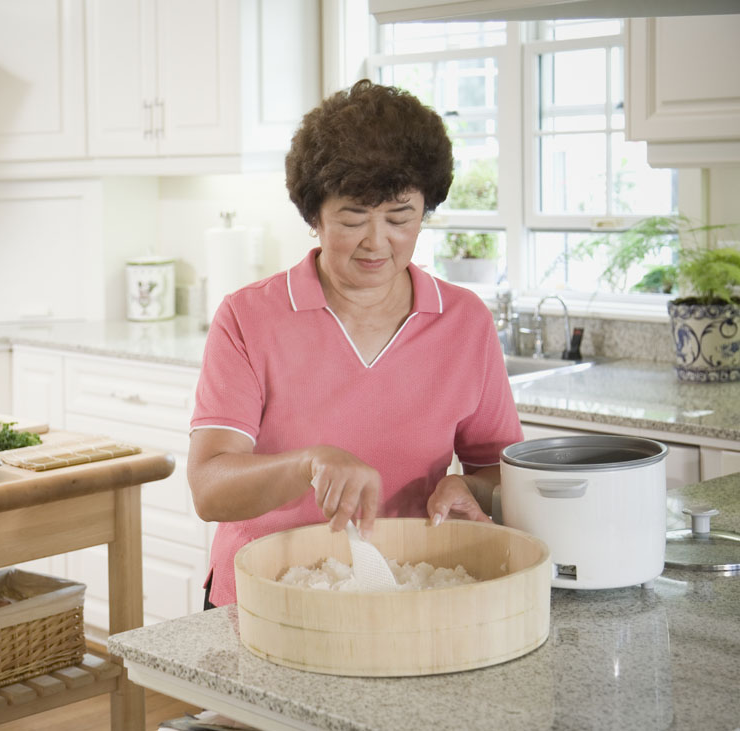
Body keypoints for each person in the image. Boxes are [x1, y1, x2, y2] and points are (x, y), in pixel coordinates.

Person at [188, 79, 523, 609]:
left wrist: (473, 491)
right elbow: (209, 486)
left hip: (410, 593)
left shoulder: (465, 322)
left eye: (399, 217)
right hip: (267, 597)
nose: (376, 241)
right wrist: (308, 465)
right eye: (352, 217)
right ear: (314, 215)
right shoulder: (249, 317)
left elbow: (498, 467)